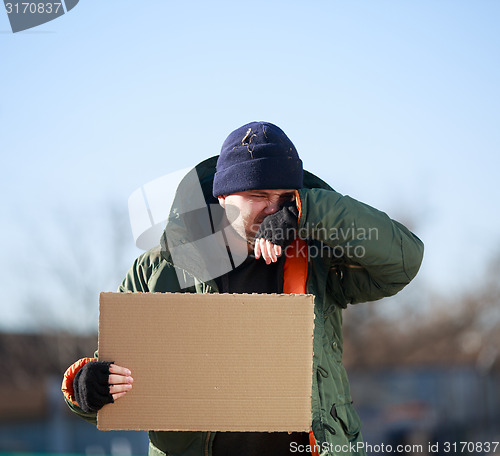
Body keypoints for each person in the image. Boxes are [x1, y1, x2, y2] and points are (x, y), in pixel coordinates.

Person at [61, 121, 424, 456]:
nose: (272, 209)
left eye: (285, 198)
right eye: (258, 195)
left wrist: (308, 210)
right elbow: (113, 377)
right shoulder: (158, 271)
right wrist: (85, 389)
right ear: (222, 197)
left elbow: (404, 260)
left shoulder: (317, 256)